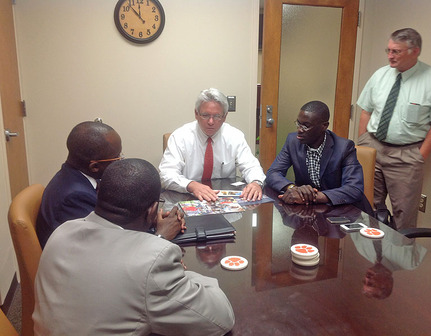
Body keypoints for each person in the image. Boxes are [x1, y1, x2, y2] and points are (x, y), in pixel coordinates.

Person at [33, 159, 235, 336]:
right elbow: (221, 319)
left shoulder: (62, 232)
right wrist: (190, 276)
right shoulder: (152, 261)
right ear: (152, 211)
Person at [357, 28, 431, 230]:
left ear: (414, 51)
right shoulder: (380, 75)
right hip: (373, 148)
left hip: (406, 155)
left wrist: (420, 156)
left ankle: (399, 261)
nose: (390, 56)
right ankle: (367, 258)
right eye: (388, 50)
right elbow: (366, 110)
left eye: (396, 51)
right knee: (365, 207)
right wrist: (363, 144)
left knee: (404, 216)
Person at [37, 121, 183, 248]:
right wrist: (161, 236)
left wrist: (148, 220)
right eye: (117, 157)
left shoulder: (78, 177)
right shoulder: (73, 198)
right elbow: (105, 250)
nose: (120, 161)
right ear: (94, 167)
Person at [159, 88, 266, 202]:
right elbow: (166, 174)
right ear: (196, 114)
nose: (211, 122)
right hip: (188, 198)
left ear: (225, 117)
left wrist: (256, 182)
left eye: (217, 116)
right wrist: (191, 185)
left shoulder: (235, 136)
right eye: (205, 115)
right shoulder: (180, 136)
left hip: (223, 202)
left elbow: (251, 165)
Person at [266, 100, 372, 214]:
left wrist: (312, 197)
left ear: (324, 126)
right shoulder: (293, 141)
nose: (299, 130)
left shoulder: (344, 147)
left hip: (343, 211)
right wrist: (292, 188)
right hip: (311, 212)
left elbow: (354, 189)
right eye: (298, 124)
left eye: (306, 126)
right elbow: (273, 173)